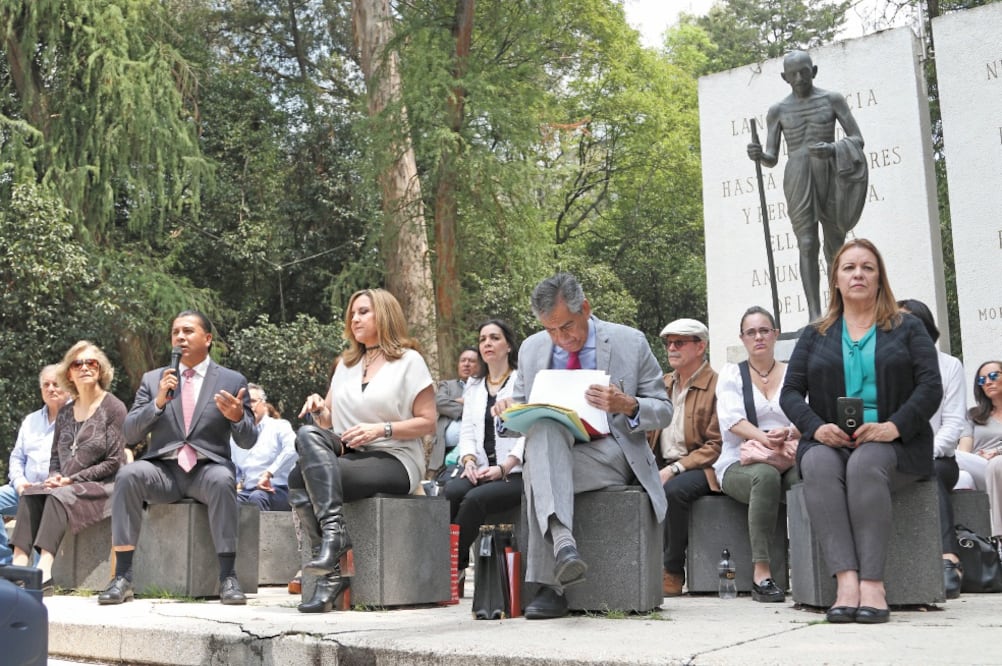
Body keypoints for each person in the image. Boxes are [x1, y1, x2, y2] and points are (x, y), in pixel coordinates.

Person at [780, 239, 942, 624]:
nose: (858, 274)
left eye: (867, 267)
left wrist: (893, 426)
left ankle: (872, 583)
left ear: (879, 278)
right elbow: (789, 393)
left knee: (865, 463)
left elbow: (930, 386)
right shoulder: (815, 333)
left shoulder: (908, 328)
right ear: (835, 280)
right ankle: (846, 581)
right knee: (817, 464)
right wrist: (816, 429)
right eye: (849, 267)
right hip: (830, 440)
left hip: (895, 443)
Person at [495, 273, 672, 620]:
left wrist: (627, 404)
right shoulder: (532, 349)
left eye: (567, 326)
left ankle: (550, 587)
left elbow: (664, 410)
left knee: (536, 472)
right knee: (543, 432)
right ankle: (564, 545)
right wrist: (504, 413)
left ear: (586, 308)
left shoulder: (629, 342)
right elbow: (518, 409)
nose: (561, 339)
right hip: (555, 450)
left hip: (612, 451)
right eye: (551, 330)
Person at [99, 311, 258, 606]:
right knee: (127, 475)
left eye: (188, 331)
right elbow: (130, 433)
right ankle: (122, 576)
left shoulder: (231, 379)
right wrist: (158, 402)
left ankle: (228, 577)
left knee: (225, 479)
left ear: (207, 339)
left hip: (207, 470)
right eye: (175, 332)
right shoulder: (154, 380)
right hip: (164, 471)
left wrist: (237, 417)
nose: (180, 337)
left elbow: (248, 439)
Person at [294, 288, 436, 613]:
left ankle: (331, 569)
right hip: (349, 451)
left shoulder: (408, 361)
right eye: (353, 314)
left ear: (383, 315)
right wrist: (318, 407)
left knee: (299, 479)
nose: (354, 319)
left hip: (394, 456)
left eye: (363, 312)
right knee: (306, 437)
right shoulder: (346, 364)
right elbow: (328, 420)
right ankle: (334, 546)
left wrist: (381, 428)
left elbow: (428, 423)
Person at [747, 50, 868, 322]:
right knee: (807, 242)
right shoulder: (778, 111)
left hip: (829, 170)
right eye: (793, 73)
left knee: (836, 243)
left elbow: (857, 138)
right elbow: (772, 156)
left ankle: (840, 309)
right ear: (784, 77)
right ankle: (815, 315)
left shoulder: (831, 99)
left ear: (814, 71)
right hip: (798, 173)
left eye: (804, 71)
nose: (800, 77)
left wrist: (833, 148)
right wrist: (759, 155)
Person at [10, 342, 126, 593]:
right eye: (77, 363)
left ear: (100, 369)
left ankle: (44, 573)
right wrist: (54, 476)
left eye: (91, 363)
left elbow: (114, 461)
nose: (85, 367)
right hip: (67, 482)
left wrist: (71, 480)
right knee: (32, 492)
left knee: (59, 495)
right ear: (69, 373)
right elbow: (54, 458)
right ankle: (19, 569)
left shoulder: (113, 407)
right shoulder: (64, 413)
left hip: (103, 486)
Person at [713, 307, 800, 603]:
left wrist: (788, 434)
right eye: (751, 332)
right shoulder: (731, 375)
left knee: (809, 474)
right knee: (764, 477)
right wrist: (765, 438)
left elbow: (807, 415)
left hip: (786, 457)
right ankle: (762, 573)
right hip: (740, 462)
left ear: (775, 334)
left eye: (764, 330)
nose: (758, 337)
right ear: (743, 338)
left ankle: (813, 568)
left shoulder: (792, 373)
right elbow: (732, 422)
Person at [443, 320, 524, 592]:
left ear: (508, 345)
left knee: (474, 500)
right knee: (451, 491)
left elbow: (528, 432)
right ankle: (459, 567)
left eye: (494, 338)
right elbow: (467, 431)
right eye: (482, 339)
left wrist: (504, 467)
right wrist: (467, 461)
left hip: (514, 474)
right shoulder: (475, 386)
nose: (487, 343)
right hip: (480, 468)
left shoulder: (521, 383)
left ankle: (451, 566)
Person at [898, 298, 967, 599]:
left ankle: (948, 558)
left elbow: (952, 427)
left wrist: (923, 452)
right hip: (895, 455)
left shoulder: (949, 366)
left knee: (933, 471)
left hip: (937, 457)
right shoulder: (889, 364)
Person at [647, 318, 721, 598]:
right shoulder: (662, 383)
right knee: (625, 483)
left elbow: (716, 445)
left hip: (703, 466)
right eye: (668, 343)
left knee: (674, 491)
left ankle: (673, 571)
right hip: (662, 462)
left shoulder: (718, 385)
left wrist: (675, 469)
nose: (672, 348)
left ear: (700, 346)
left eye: (680, 342)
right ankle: (635, 567)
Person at [0, 365, 69, 566]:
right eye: (46, 385)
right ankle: (4, 565)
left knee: (43, 503)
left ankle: (38, 578)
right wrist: (20, 483)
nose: (51, 389)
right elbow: (16, 458)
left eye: (56, 384)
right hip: (24, 488)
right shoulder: (31, 421)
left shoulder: (77, 418)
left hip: (57, 490)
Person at [230, 384, 297, 512]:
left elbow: (294, 448)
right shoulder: (235, 437)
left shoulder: (279, 427)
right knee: (229, 500)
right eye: (245, 403)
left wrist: (269, 473)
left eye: (253, 401)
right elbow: (233, 471)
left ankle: (259, 533)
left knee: (257, 498)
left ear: (264, 404)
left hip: (278, 489)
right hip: (248, 491)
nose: (249, 406)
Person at [958, 360, 1002, 543]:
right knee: (952, 457)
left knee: (997, 463)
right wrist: (977, 456)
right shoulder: (974, 415)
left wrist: (998, 452)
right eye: (982, 380)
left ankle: (998, 537)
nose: (988, 382)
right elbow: (964, 451)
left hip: (999, 464)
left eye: (993, 376)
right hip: (982, 467)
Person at [432, 347, 479, 471]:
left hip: (473, 449)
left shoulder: (483, 387)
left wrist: (465, 402)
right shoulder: (447, 385)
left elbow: (487, 408)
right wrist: (471, 407)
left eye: (471, 361)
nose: (466, 364)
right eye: (463, 360)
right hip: (444, 448)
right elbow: (439, 403)